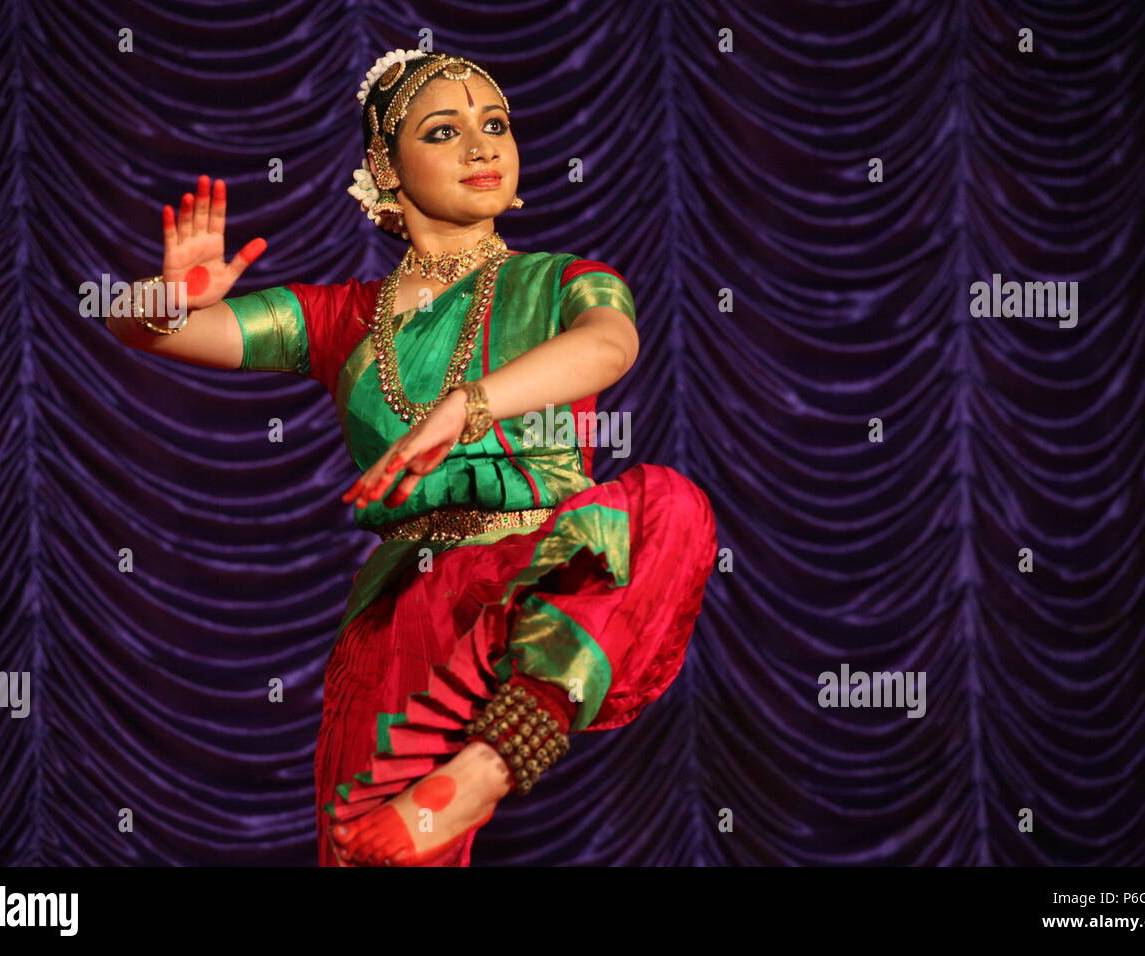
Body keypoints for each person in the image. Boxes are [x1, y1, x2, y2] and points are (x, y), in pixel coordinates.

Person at [107, 49, 716, 866]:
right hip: (404, 610)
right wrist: (163, 299)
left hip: (540, 571)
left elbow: (610, 348)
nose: (482, 148)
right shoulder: (339, 319)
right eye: (444, 130)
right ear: (383, 169)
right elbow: (139, 326)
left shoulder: (565, 281)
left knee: (671, 511)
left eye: (495, 125)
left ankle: (493, 761)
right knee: (366, 849)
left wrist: (467, 409)